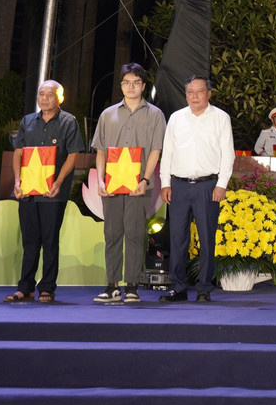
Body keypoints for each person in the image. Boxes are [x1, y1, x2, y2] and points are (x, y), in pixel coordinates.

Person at [91, 63, 166, 304]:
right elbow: (100, 150)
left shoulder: (155, 114)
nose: (131, 86)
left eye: (136, 82)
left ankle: (132, 285)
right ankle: (112, 286)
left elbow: (156, 149)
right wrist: (101, 180)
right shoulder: (108, 114)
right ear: (121, 85)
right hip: (111, 185)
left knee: (135, 234)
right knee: (112, 234)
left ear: (143, 86)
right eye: (126, 82)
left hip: (139, 186)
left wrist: (145, 179)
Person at [6, 80, 85, 303]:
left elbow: (73, 154)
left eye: (50, 94)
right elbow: (18, 153)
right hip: (28, 191)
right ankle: (25, 287)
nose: (45, 98)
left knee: (50, 241)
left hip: (53, 192)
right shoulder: (28, 121)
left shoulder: (68, 122)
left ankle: (47, 287)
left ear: (60, 98)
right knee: (30, 241)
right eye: (41, 94)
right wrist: (17, 181)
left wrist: (59, 181)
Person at [158, 75, 235, 302]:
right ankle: (178, 287)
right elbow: (168, 153)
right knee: (177, 238)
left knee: (206, 237)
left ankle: (203, 288)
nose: (194, 96)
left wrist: (221, 184)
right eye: (190, 92)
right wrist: (165, 183)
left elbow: (227, 154)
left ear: (208, 94)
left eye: (199, 91)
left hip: (208, 186)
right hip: (179, 185)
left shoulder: (220, 118)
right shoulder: (176, 118)